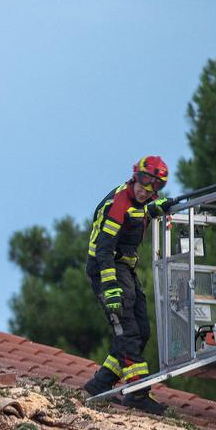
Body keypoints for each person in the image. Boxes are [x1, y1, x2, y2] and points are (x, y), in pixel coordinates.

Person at [82, 155, 171, 414]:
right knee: (128, 331)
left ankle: (100, 385)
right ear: (135, 176)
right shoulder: (118, 203)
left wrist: (159, 207)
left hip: (126, 271)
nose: (147, 190)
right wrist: (110, 288)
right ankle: (137, 392)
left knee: (141, 331)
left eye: (156, 186)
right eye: (144, 182)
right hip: (107, 269)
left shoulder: (144, 201)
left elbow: (143, 211)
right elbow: (104, 249)